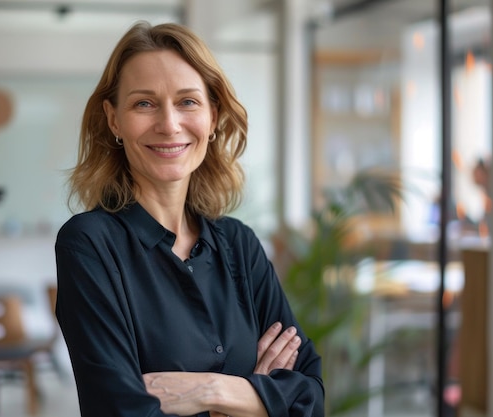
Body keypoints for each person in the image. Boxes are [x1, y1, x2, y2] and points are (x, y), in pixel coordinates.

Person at [54, 21, 324, 417]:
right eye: (144, 103)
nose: (169, 124)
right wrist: (260, 396)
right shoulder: (90, 244)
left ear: (213, 116)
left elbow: (311, 396)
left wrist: (211, 391)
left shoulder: (240, 245)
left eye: (188, 102)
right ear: (114, 120)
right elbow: (118, 409)